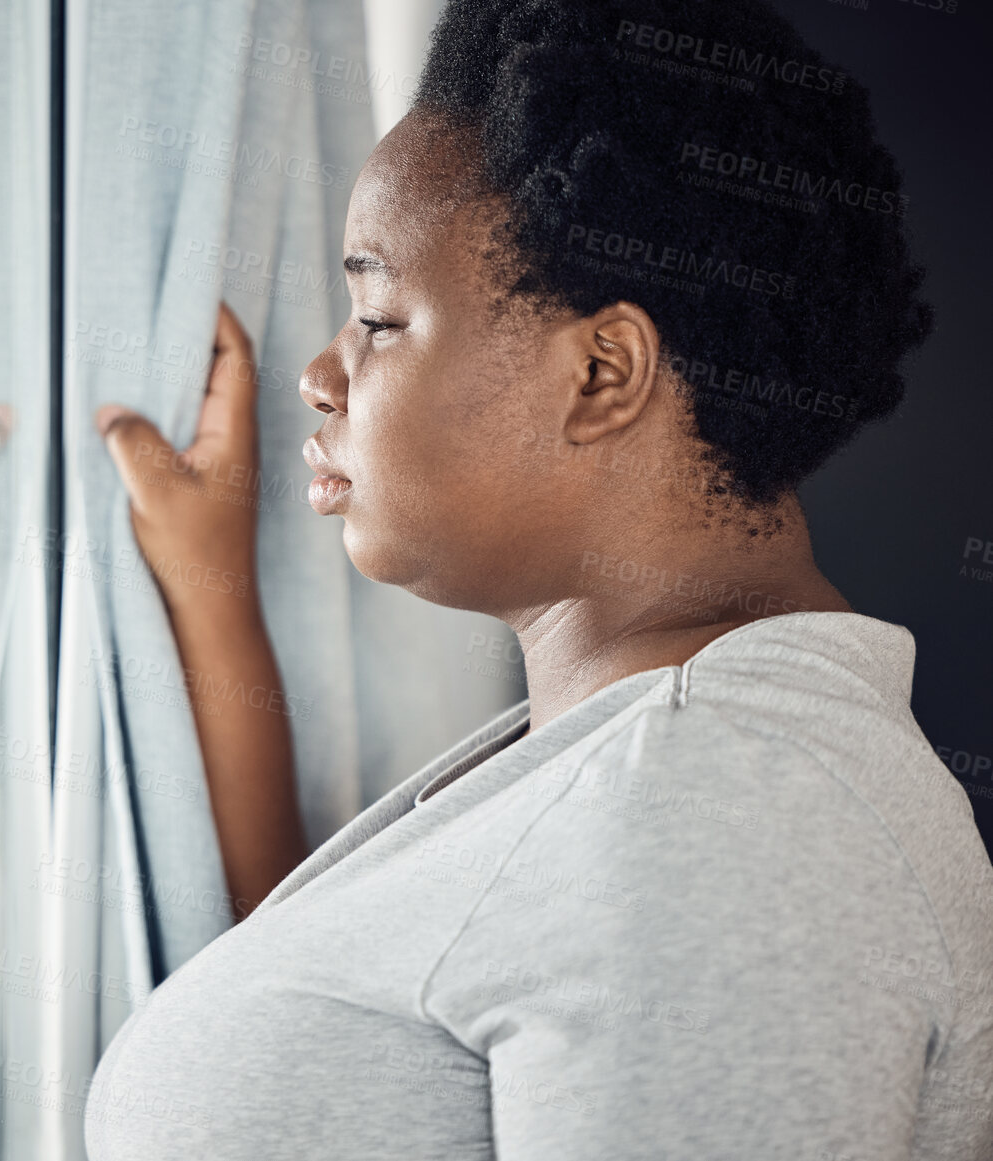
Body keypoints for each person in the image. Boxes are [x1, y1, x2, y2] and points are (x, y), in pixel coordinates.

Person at [86, 0, 993, 1157]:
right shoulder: (649, 752)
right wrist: (213, 603)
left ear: (602, 373)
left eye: (378, 316)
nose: (321, 372)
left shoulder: (721, 802)